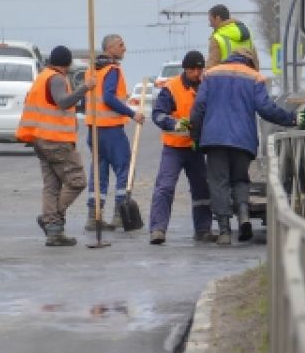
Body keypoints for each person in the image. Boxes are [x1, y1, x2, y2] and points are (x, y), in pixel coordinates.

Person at [190, 47, 304, 245]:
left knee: (219, 183)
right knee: (241, 179)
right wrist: (291, 119)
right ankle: (243, 216)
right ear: (251, 61)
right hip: (243, 140)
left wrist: (197, 135)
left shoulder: (210, 74)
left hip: (215, 138)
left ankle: (225, 231)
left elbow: (199, 107)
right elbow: (266, 108)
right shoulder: (255, 77)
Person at [16, 45, 95, 247]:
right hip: (56, 141)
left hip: (41, 139)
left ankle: (54, 233)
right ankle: (50, 219)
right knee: (77, 181)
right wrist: (85, 88)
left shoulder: (43, 76)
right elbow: (63, 102)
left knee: (52, 186)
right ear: (67, 63)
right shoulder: (57, 79)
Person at [147, 50, 213, 245]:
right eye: (193, 69)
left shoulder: (206, 86)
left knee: (201, 190)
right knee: (165, 187)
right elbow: (158, 114)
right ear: (185, 69)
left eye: (199, 69)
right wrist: (174, 123)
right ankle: (158, 229)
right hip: (174, 148)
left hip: (196, 148)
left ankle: (203, 229)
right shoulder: (171, 88)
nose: (196, 73)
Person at [83, 33, 145, 231]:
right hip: (110, 130)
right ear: (110, 48)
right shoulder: (112, 70)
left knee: (98, 173)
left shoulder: (92, 70)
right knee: (124, 170)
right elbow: (108, 97)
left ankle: (94, 217)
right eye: (120, 45)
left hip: (94, 130)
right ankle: (120, 214)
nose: (124, 48)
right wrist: (131, 113)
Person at [206, 4, 259, 72]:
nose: (210, 25)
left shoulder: (217, 38)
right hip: (246, 79)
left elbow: (212, 65)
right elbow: (255, 63)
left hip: (226, 80)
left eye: (211, 20)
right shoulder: (247, 34)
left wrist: (204, 77)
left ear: (218, 18)